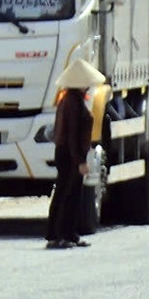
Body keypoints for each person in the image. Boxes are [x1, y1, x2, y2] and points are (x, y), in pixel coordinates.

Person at [46, 58, 103, 248]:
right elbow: (72, 134)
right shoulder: (73, 103)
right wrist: (80, 161)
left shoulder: (70, 100)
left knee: (67, 193)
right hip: (70, 154)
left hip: (66, 152)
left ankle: (67, 234)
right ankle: (60, 234)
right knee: (68, 195)